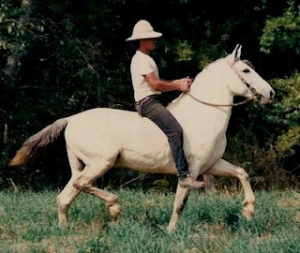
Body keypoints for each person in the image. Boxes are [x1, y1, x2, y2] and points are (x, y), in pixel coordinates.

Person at [126, 20, 203, 189]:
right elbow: (155, 85)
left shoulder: (145, 59)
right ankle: (183, 176)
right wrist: (178, 84)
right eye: (150, 38)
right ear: (142, 41)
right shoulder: (142, 60)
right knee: (175, 130)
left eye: (153, 38)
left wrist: (179, 83)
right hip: (148, 103)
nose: (154, 40)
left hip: (154, 100)